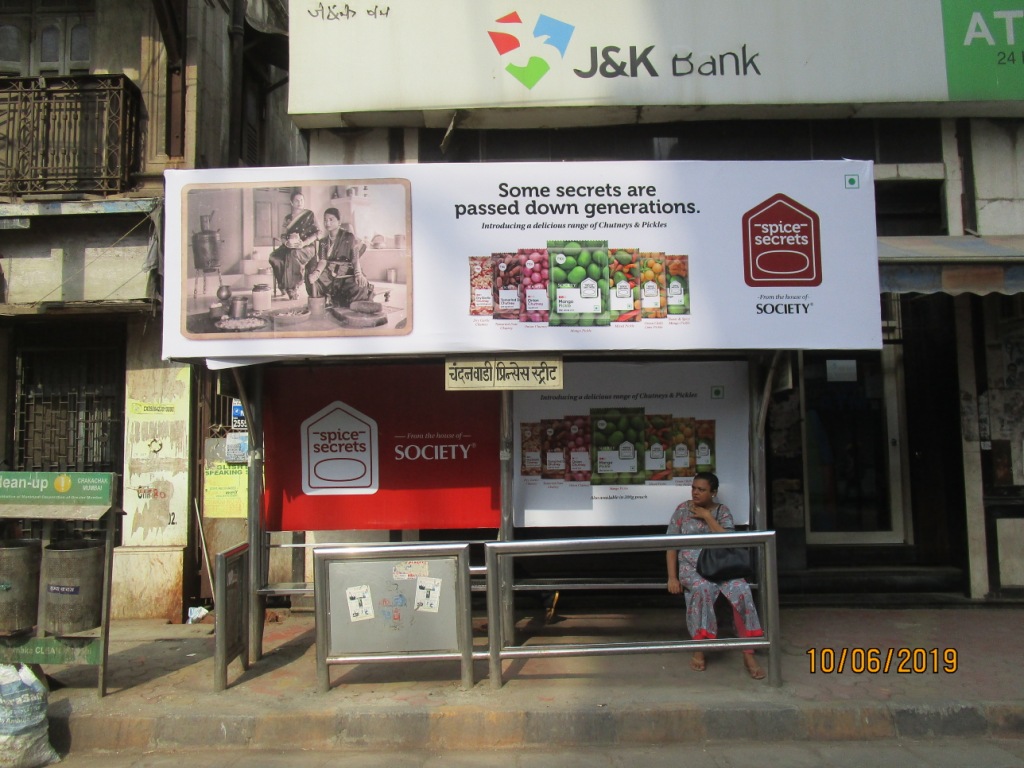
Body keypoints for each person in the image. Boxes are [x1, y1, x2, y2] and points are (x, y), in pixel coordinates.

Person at [665, 471, 765, 679]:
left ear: (713, 493)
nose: (695, 493)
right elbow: (670, 546)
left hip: (721, 567)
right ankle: (700, 647)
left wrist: (708, 517)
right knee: (702, 590)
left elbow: (730, 541)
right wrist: (672, 577)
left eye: (701, 490)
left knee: (741, 589)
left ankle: (748, 651)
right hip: (691, 568)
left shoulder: (722, 511)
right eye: (693, 488)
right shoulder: (682, 511)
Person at [305, 207, 375, 308]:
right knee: (311, 275)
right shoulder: (323, 242)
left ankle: (356, 305)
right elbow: (323, 261)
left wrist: (358, 274)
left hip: (347, 273)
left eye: (331, 219)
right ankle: (325, 301)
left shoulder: (349, 237)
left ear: (339, 221)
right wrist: (316, 273)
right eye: (325, 220)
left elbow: (355, 259)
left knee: (359, 286)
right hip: (330, 275)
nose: (327, 223)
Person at [269, 191, 321, 300]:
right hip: (290, 246)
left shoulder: (309, 215)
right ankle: (283, 284)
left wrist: (303, 243)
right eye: (296, 200)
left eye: (301, 200)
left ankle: (293, 287)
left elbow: (318, 233)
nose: (299, 202)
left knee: (293, 254)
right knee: (274, 257)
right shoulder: (288, 218)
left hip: (307, 247)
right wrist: (286, 243)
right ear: (291, 203)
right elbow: (283, 235)